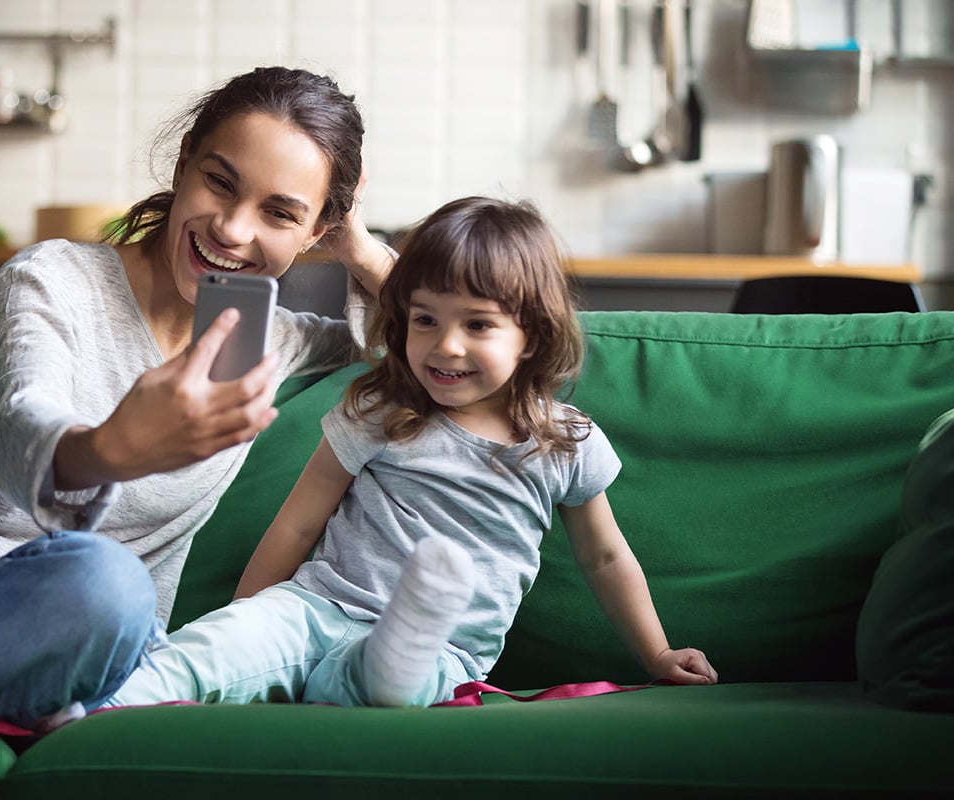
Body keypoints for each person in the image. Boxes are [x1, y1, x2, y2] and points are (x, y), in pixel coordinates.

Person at [0, 66, 393, 800]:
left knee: (110, 584)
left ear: (317, 229)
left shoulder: (274, 344)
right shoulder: (53, 279)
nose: (233, 229)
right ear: (184, 161)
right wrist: (110, 447)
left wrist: (361, 248)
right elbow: (21, 415)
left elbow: (434, 344)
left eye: (280, 213)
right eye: (220, 182)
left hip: (28, 619)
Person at [107, 196, 718, 710]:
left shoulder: (562, 443)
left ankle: (400, 639)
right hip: (315, 607)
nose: (444, 346)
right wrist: (247, 620)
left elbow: (607, 558)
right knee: (208, 650)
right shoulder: (380, 409)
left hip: (439, 651)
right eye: (425, 320)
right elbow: (297, 523)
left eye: (477, 326)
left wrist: (658, 653)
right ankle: (104, 705)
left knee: (387, 676)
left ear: (532, 335)